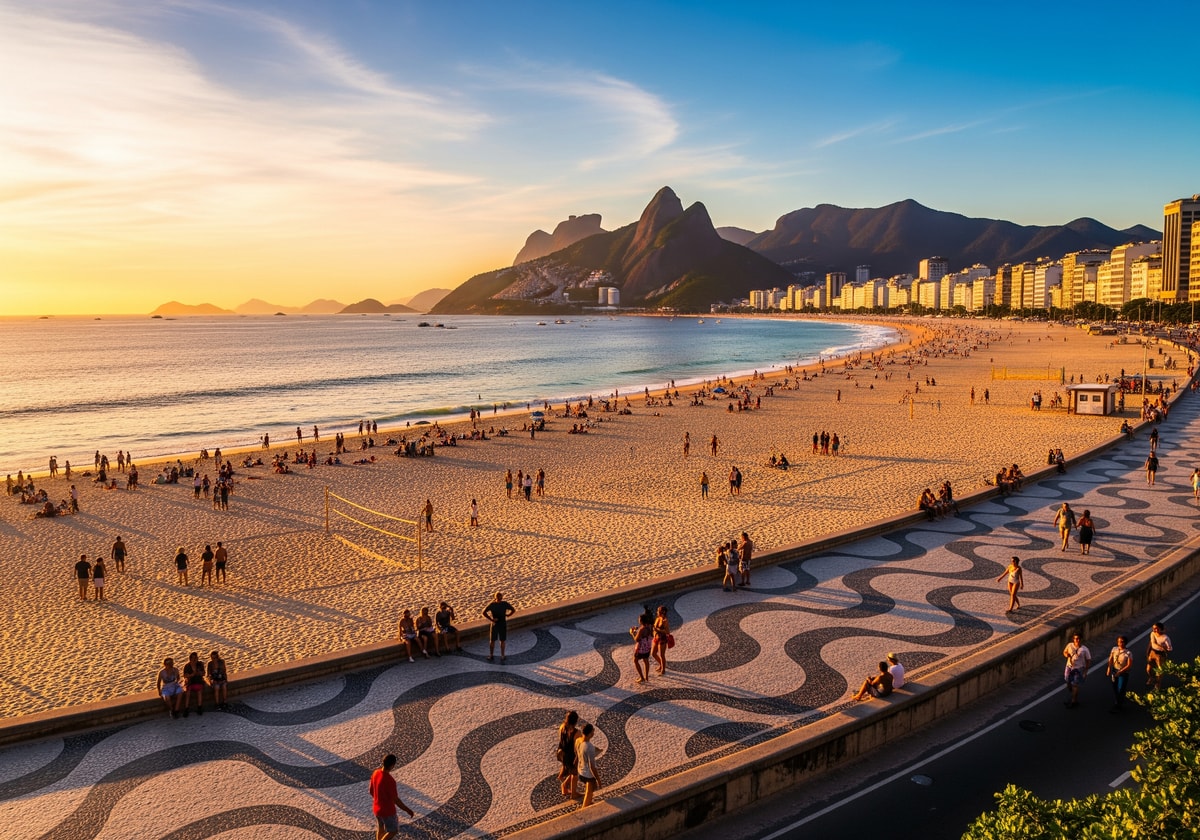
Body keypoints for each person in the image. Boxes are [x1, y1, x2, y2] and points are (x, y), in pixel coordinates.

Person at [369, 753, 414, 840]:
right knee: (393, 831)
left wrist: (379, 799)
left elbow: (371, 791)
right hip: (388, 811)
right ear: (392, 765)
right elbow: (396, 800)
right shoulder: (390, 780)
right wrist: (407, 810)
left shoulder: (375, 773)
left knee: (381, 828)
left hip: (376, 808)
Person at [483, 591, 516, 662]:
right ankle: (502, 655)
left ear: (495, 598)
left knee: (492, 640)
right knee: (502, 640)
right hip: (502, 623)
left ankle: (491, 655)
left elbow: (484, 612)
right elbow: (513, 610)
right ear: (502, 597)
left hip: (494, 624)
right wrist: (508, 615)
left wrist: (491, 619)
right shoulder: (504, 604)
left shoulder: (492, 604)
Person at [575, 723, 601, 808]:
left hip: (581, 771)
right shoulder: (589, 747)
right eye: (593, 731)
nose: (594, 733)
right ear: (590, 733)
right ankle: (585, 808)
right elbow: (592, 767)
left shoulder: (578, 740)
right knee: (589, 793)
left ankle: (589, 803)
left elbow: (577, 754)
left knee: (588, 790)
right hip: (588, 774)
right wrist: (598, 780)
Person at [1063, 633, 1091, 708]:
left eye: (1078, 638)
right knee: (1068, 683)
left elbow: (1088, 660)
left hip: (1078, 669)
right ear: (1073, 639)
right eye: (1075, 638)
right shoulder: (1069, 645)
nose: (1077, 640)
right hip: (1069, 667)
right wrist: (1067, 655)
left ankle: (1073, 700)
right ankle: (1073, 695)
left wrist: (1085, 672)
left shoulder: (1085, 649)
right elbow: (1065, 652)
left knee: (1075, 685)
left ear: (1081, 639)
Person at [557, 710, 580, 797]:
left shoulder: (562, 727)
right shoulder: (576, 733)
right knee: (575, 773)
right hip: (572, 755)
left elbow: (561, 740)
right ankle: (573, 793)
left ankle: (564, 786)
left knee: (570, 770)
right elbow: (578, 746)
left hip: (563, 753)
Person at [1106, 635, 1133, 712]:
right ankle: (1119, 699)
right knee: (1115, 686)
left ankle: (1118, 704)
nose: (1120, 643)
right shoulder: (1114, 649)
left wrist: (1120, 672)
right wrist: (1109, 668)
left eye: (1122, 642)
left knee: (1121, 687)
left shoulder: (1128, 653)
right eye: (1118, 641)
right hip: (1115, 670)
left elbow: (1129, 665)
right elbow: (1111, 659)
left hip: (1123, 672)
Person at [1146, 621, 1173, 689]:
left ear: (1160, 629)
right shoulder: (1152, 634)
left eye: (1156, 628)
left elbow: (1170, 648)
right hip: (1152, 653)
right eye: (1153, 628)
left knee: (1159, 671)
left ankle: (1158, 684)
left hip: (1160, 655)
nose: (1154, 630)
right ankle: (1152, 678)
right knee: (1148, 669)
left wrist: (1164, 648)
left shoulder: (1165, 638)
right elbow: (1152, 643)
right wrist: (1148, 653)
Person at [630, 612, 653, 683]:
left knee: (635, 660)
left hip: (641, 648)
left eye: (639, 619)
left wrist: (632, 633)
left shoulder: (641, 629)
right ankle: (646, 676)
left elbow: (636, 639)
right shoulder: (649, 626)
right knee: (646, 660)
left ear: (641, 621)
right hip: (648, 646)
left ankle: (642, 677)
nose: (638, 620)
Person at [182, 651, 206, 715]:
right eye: (193, 658)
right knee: (188, 693)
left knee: (199, 691)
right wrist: (192, 674)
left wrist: (199, 673)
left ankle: (199, 707)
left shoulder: (200, 664)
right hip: (190, 682)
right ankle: (186, 709)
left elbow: (203, 673)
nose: (195, 659)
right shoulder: (187, 666)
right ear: (190, 659)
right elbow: (185, 676)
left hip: (198, 681)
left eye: (196, 658)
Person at [652, 605, 671, 675]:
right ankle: (661, 664)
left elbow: (667, 631)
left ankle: (663, 669)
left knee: (662, 655)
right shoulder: (658, 618)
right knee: (653, 653)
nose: (657, 612)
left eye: (658, 611)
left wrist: (657, 629)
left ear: (662, 612)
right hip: (656, 638)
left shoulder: (665, 620)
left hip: (662, 639)